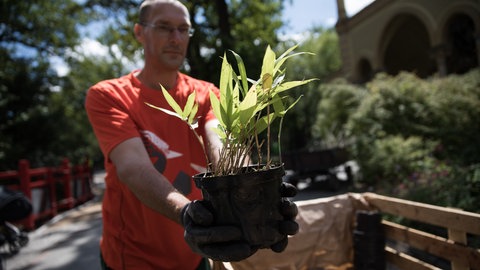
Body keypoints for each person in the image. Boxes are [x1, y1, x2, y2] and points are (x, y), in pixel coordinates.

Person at [85, 0, 299, 269]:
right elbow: (132, 167)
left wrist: (251, 188)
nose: (176, 38)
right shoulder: (109, 96)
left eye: (183, 29)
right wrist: (186, 213)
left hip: (199, 251)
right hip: (133, 258)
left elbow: (222, 143)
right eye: (164, 27)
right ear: (139, 32)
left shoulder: (207, 93)